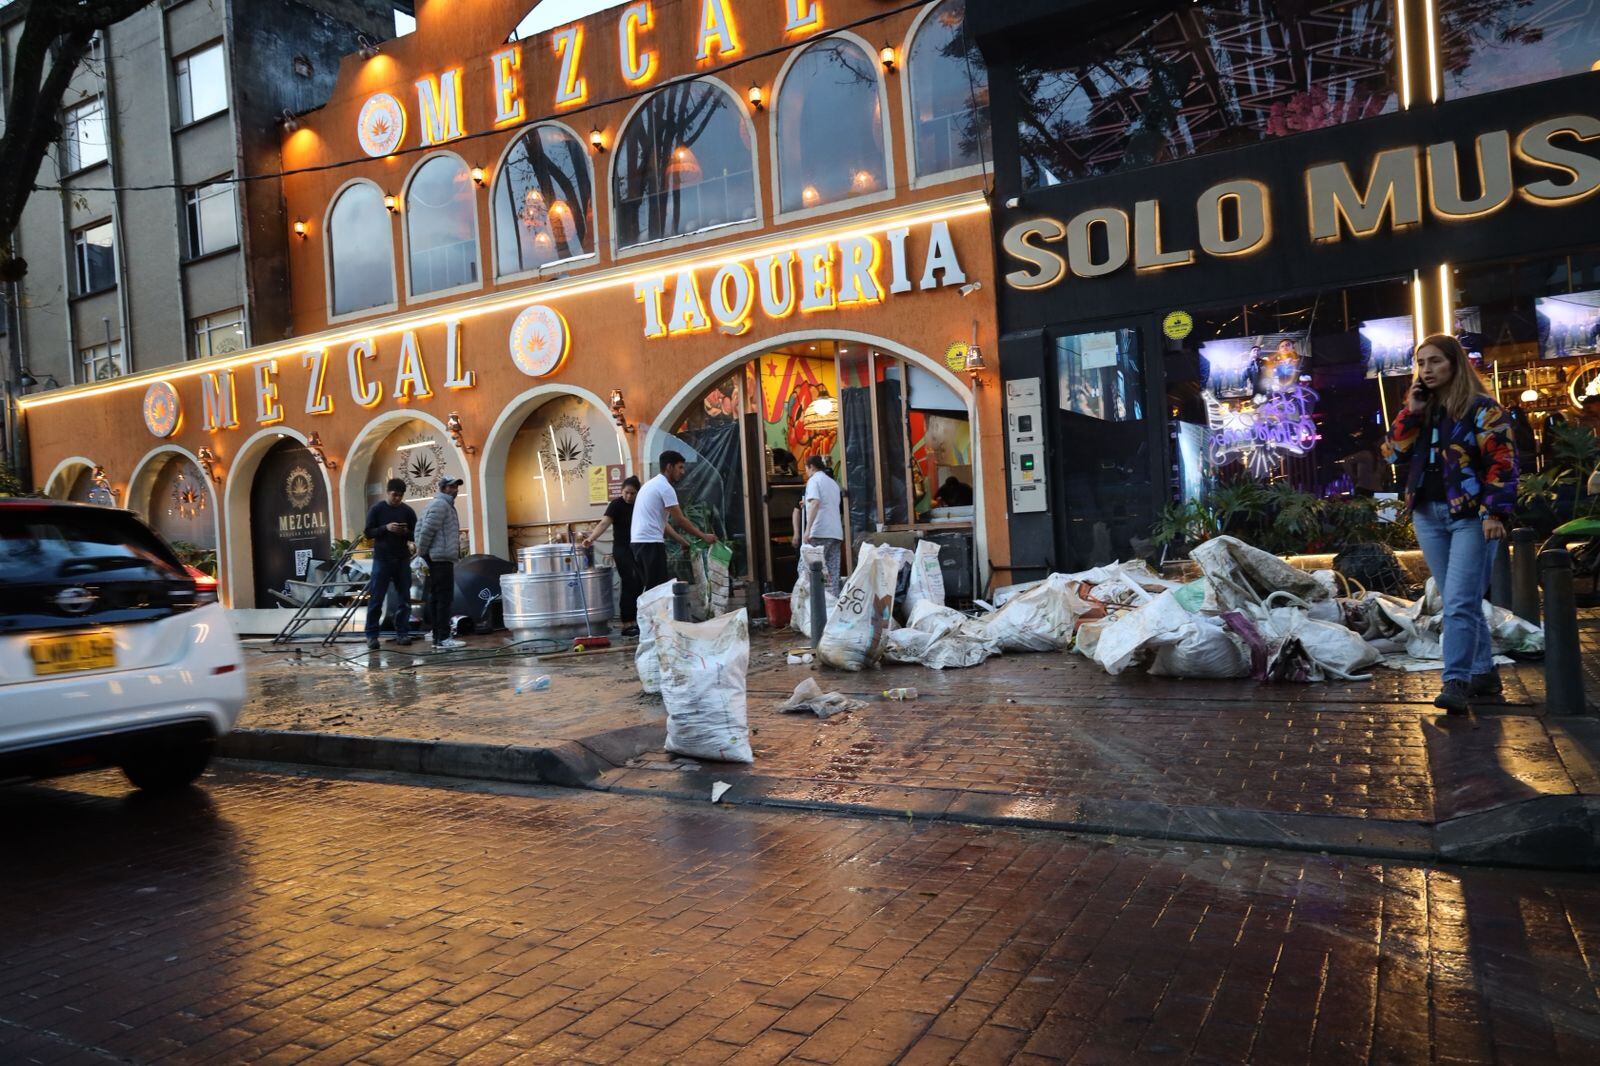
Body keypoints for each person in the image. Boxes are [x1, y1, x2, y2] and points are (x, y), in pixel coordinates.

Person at [1384, 335, 1517, 714]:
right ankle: (1484, 671)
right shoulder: (1422, 409)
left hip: (1470, 516)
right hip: (1428, 514)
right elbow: (1393, 452)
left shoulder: (1482, 410)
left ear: (1455, 364)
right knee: (1460, 600)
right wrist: (1410, 410)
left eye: (1435, 362)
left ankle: (1455, 679)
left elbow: (1503, 463)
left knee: (1459, 602)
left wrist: (1495, 513)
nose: (1426, 370)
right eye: (1421, 363)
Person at [631, 452, 717, 591]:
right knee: (656, 590)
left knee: (652, 588)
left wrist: (682, 541)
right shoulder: (665, 487)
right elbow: (680, 520)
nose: (683, 472)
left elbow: (663, 524)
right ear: (669, 467)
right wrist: (704, 536)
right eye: (680, 467)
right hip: (650, 544)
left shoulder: (651, 484)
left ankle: (648, 613)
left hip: (639, 544)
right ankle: (650, 614)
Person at [581, 476, 644, 637]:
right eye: (626, 493)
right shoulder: (616, 505)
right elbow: (604, 523)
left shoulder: (640, 504)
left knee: (638, 583)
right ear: (621, 491)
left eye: (633, 493)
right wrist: (591, 538)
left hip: (637, 549)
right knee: (630, 581)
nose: (629, 496)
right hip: (622, 549)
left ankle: (637, 621)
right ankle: (626, 622)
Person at [362, 478, 417, 650]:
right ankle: (371, 635)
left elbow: (415, 534)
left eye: (400, 496)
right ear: (388, 492)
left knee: (404, 598)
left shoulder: (407, 511)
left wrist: (405, 532)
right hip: (382, 559)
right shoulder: (377, 509)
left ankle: (402, 632)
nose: (397, 499)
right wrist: (386, 528)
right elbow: (368, 533)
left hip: (402, 559)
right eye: (394, 495)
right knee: (377, 598)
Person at [413, 476, 465, 650]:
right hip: (439, 559)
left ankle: (438, 638)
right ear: (443, 488)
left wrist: (423, 553)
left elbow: (420, 527)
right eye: (452, 486)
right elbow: (426, 529)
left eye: (456, 486)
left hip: (437, 558)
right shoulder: (441, 505)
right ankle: (442, 638)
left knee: (436, 598)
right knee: (443, 599)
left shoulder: (438, 505)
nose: (456, 489)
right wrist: (422, 553)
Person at [801, 455, 845, 592]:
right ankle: (832, 608)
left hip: (819, 531)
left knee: (806, 569)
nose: (806, 472)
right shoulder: (833, 483)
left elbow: (815, 502)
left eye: (806, 469)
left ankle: (811, 607)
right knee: (832, 572)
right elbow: (827, 504)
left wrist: (807, 530)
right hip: (836, 533)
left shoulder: (814, 480)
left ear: (811, 467)